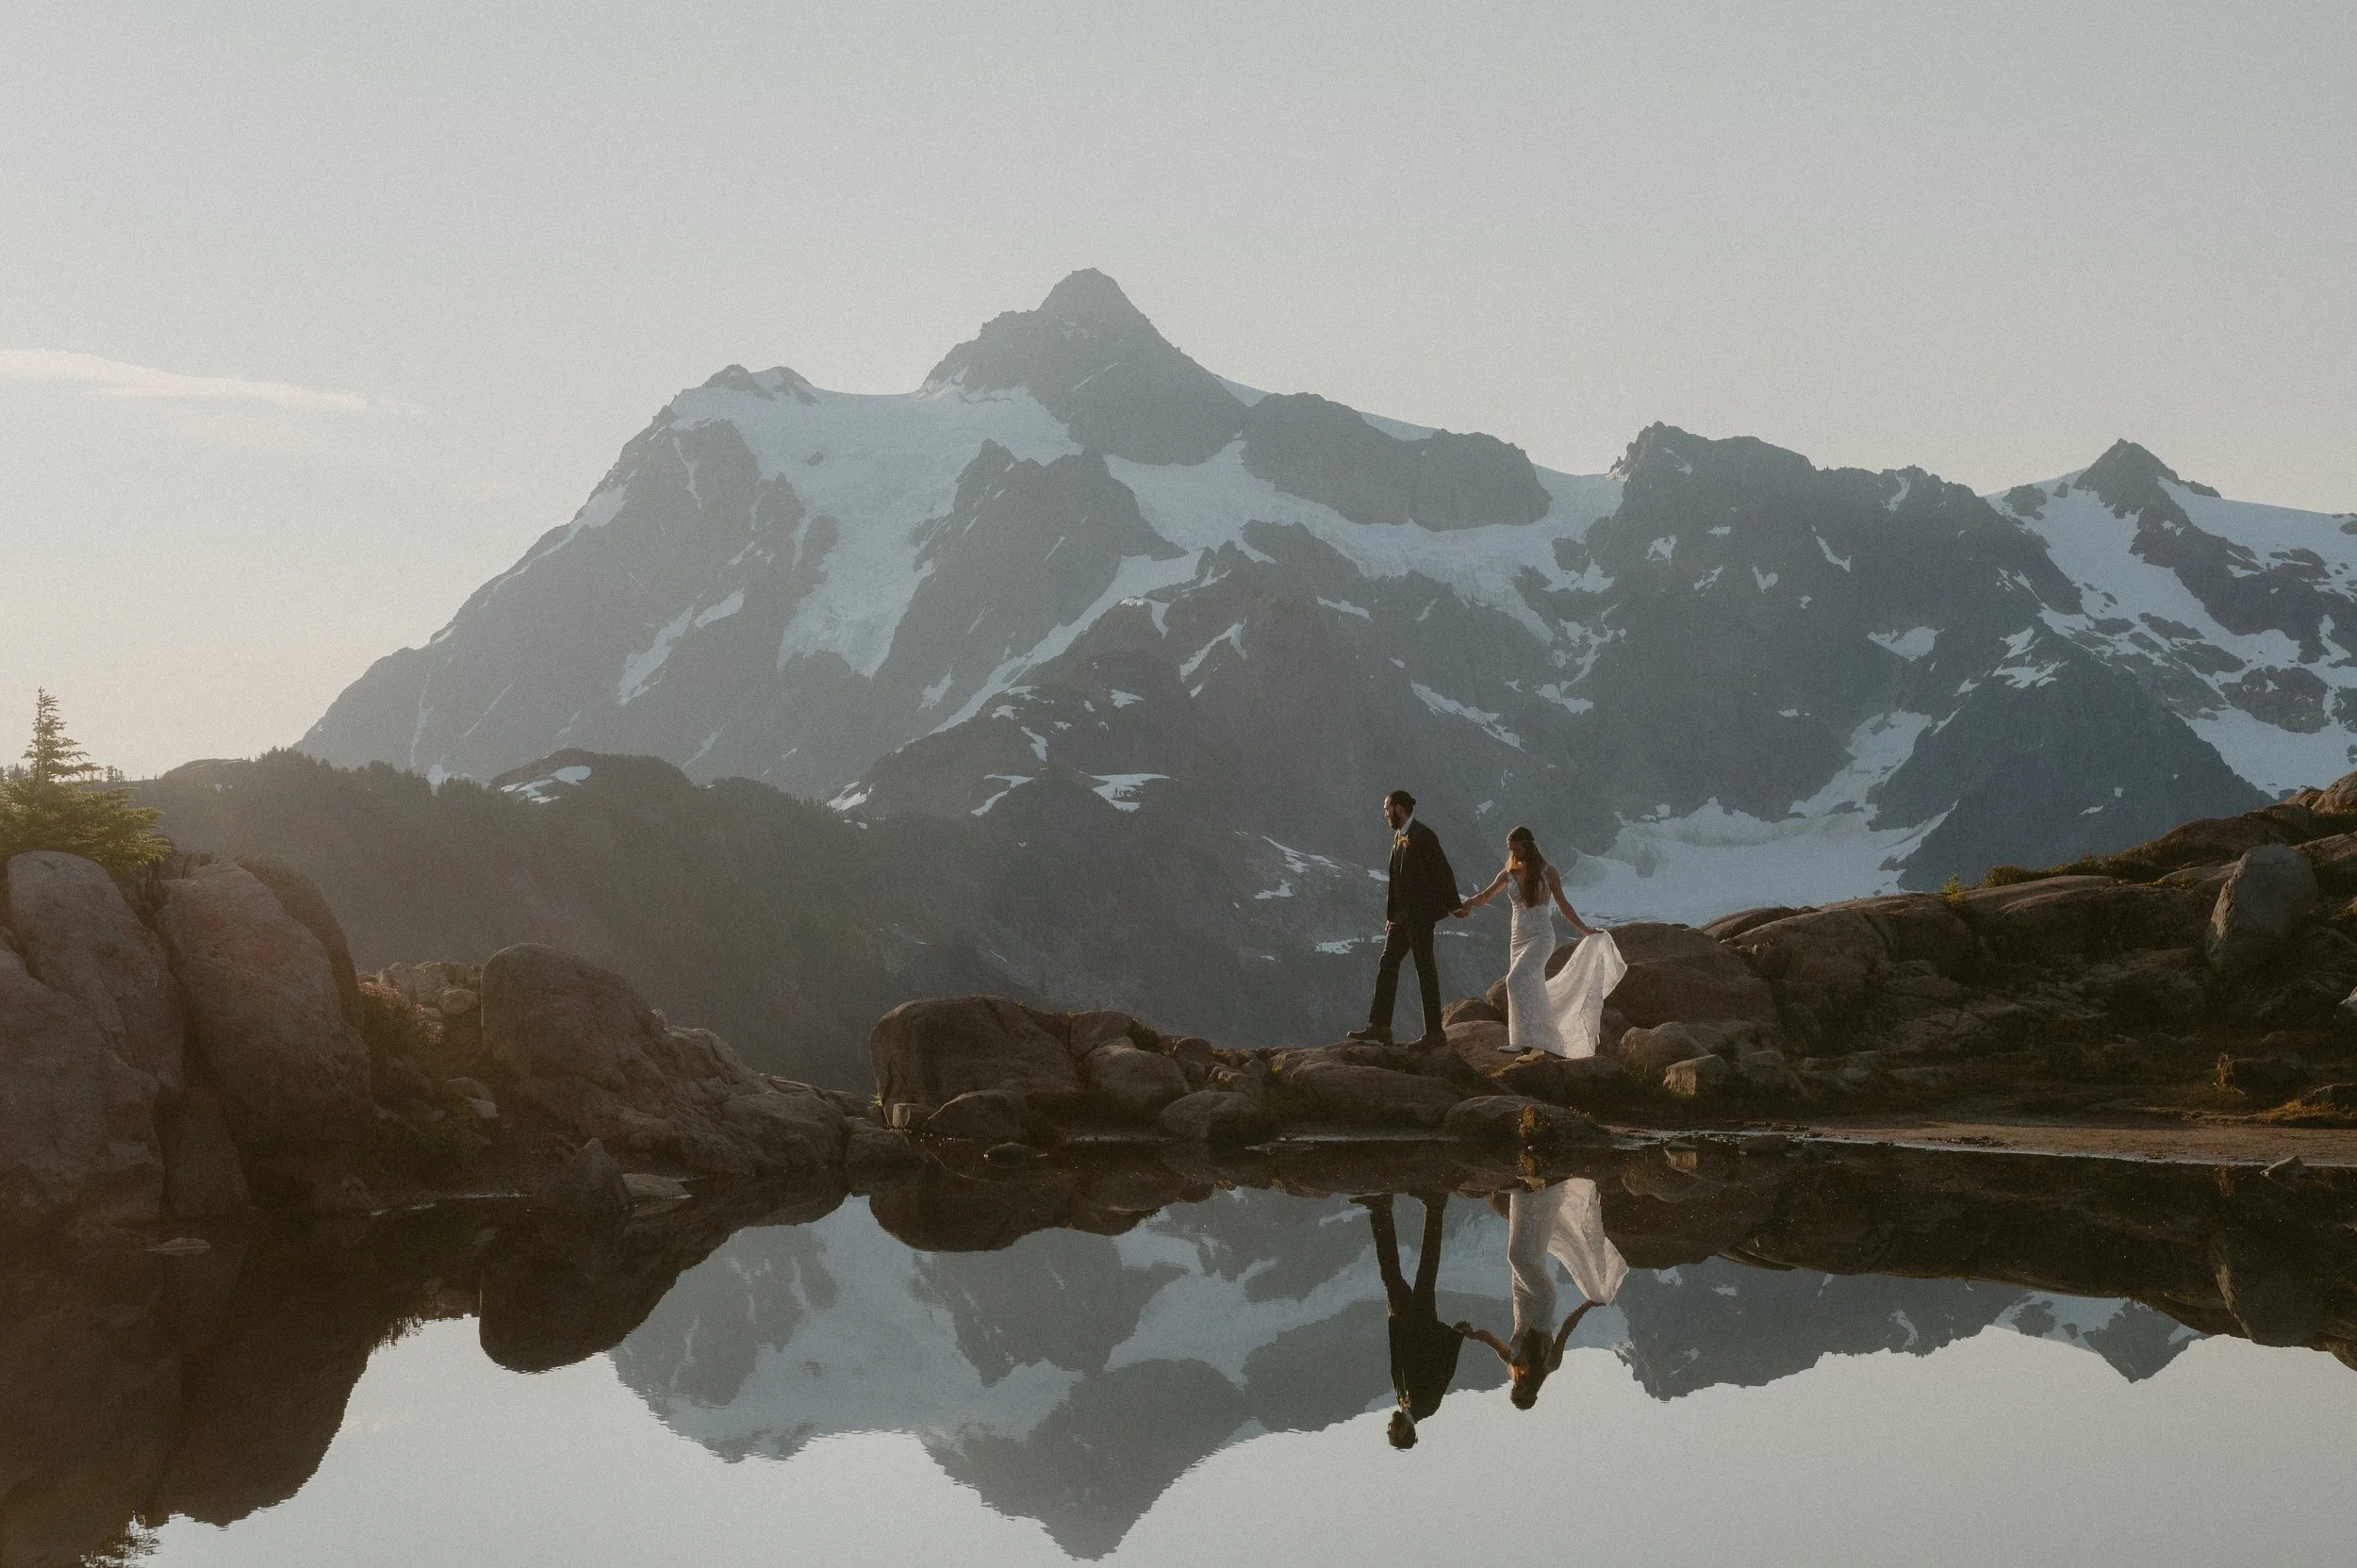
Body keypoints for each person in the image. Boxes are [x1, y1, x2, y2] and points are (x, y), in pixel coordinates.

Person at [1457, 825, 1626, 1058]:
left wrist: (1585, 930)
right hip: (1517, 939)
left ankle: (1522, 1041)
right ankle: (1538, 1047)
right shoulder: (1508, 874)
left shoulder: (1548, 873)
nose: (1513, 854)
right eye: (1510, 850)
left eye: (1517, 849)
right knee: (1533, 989)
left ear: (1528, 847)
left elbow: (1564, 905)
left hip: (1541, 937)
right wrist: (1467, 904)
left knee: (1515, 980)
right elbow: (1485, 897)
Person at [1458, 1178, 1626, 1409]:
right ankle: (1537, 1193)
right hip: (1542, 1300)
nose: (1517, 1388)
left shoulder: (1512, 1361)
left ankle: (1530, 1194)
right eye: (1522, 1392)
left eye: (1515, 1391)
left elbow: (1487, 1337)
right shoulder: (1550, 1364)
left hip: (1519, 1295)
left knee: (1529, 1252)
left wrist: (1470, 1334)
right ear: (1532, 1391)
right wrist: (1588, 1305)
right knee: (1517, 1257)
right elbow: (1566, 1329)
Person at [1350, 789, 1461, 1048]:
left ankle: (1435, 1034)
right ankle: (1379, 1027)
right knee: (1387, 963)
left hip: (1420, 917)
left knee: (1425, 970)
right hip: (1401, 918)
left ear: (1399, 808)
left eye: (1387, 809)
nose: (1385, 814)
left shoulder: (1423, 835)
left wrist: (1454, 906)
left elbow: (1443, 871)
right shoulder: (1399, 837)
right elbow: (1397, 881)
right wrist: (1391, 915)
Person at [1357, 1193, 1463, 1449]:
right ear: (1405, 1432)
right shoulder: (1427, 1406)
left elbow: (1398, 1359)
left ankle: (1381, 1209)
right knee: (1425, 1269)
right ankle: (1432, 1205)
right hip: (1422, 1322)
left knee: (1394, 1276)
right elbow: (1445, 1370)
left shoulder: (1402, 1401)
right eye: (1392, 1431)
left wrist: (1394, 1320)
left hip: (1403, 1321)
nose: (1389, 1426)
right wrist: (1456, 1336)